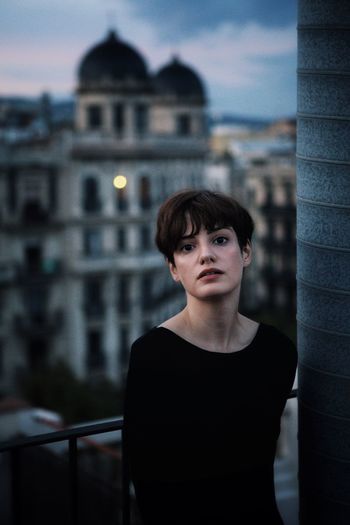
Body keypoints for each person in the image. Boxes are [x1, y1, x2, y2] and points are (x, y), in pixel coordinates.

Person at [123, 189, 297, 525]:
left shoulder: (277, 351)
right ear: (174, 269)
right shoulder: (152, 356)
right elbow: (149, 489)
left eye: (219, 240)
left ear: (245, 251)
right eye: (187, 247)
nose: (206, 256)